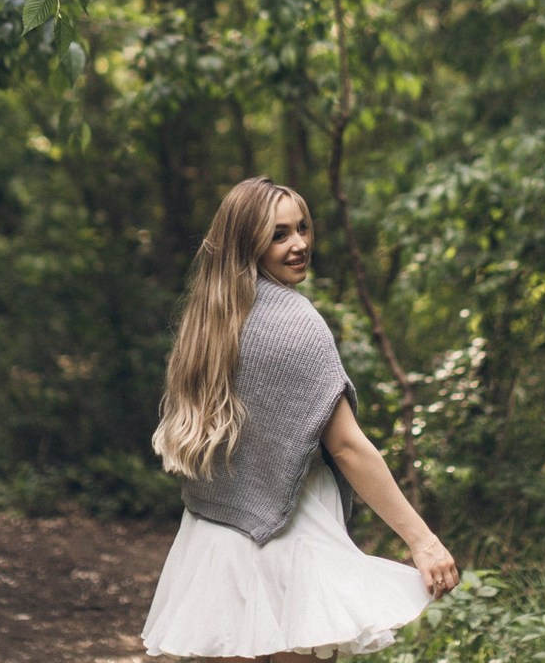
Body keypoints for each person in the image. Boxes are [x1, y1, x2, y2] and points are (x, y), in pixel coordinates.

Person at [142, 176, 459, 662]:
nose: (300, 244)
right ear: (248, 244)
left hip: (214, 535)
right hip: (291, 532)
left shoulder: (207, 322)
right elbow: (348, 446)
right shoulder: (296, 321)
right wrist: (423, 540)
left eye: (302, 228)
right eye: (279, 235)